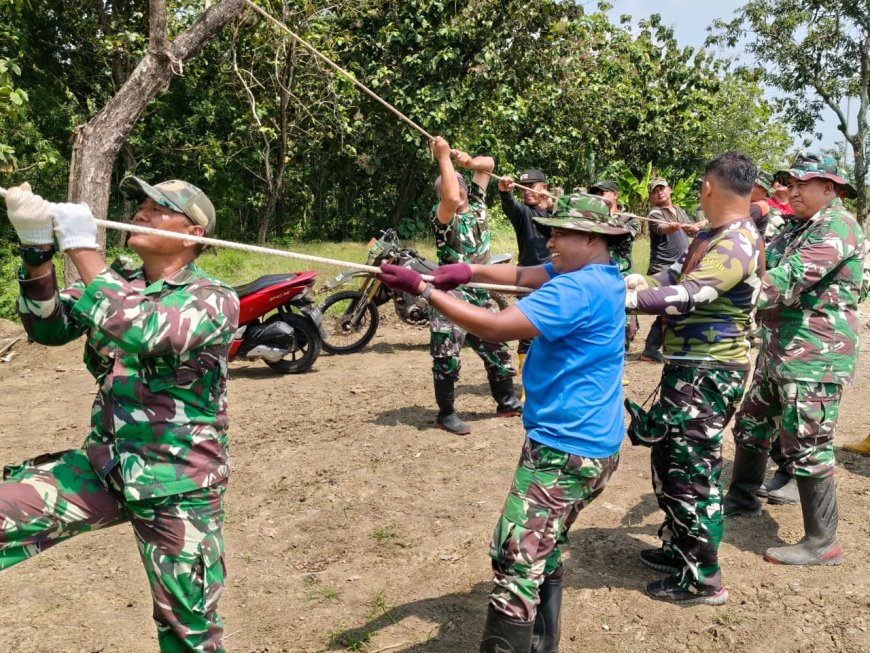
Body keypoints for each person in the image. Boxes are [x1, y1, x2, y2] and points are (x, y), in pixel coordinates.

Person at [378, 192, 628, 653]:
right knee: (544, 545)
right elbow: (521, 274)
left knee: (515, 560)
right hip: (596, 444)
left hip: (562, 450)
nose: (548, 240)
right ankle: (542, 644)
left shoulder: (575, 289)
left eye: (559, 232)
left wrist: (424, 290)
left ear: (593, 237)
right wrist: (465, 271)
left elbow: (495, 327)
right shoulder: (601, 274)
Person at [0, 178, 239, 652]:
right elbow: (46, 327)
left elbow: (144, 330)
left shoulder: (214, 297)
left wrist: (84, 249)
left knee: (187, 631)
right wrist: (36, 251)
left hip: (178, 484)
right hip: (105, 468)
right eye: (143, 205)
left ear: (192, 234)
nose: (143, 213)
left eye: (160, 209)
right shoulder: (120, 282)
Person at [623, 152, 764, 605]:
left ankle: (704, 579)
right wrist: (638, 279)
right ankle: (679, 548)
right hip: (689, 369)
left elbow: (693, 292)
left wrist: (621, 302)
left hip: (711, 372)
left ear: (708, 187)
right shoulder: (710, 234)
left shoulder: (739, 242)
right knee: (669, 459)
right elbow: (677, 273)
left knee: (692, 471)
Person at [722, 154, 864, 566]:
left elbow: (786, 278)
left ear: (830, 189)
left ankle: (822, 542)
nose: (793, 190)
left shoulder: (839, 226)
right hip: (778, 349)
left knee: (807, 442)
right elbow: (759, 261)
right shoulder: (794, 227)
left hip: (816, 356)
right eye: (790, 182)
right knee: (751, 422)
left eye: (806, 183)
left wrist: (711, 292)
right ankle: (743, 496)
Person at [429, 137, 521, 435]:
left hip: (479, 291)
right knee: (446, 354)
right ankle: (446, 414)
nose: (460, 186)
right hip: (451, 294)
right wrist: (443, 156)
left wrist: (468, 163)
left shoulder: (478, 203)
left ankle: (507, 402)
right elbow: (452, 200)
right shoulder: (442, 216)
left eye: (461, 181)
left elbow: (489, 164)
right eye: (451, 183)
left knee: (497, 346)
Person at [498, 168, 554, 399]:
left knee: (551, 330)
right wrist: (505, 192)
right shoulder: (523, 213)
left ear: (545, 188)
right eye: (523, 188)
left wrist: (551, 206)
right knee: (527, 330)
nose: (527, 192)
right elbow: (510, 206)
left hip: (555, 276)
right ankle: (528, 387)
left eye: (532, 186)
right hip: (529, 277)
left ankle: (549, 379)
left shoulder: (556, 213)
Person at [639, 177, 704, 362]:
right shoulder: (655, 213)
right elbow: (663, 229)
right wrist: (674, 226)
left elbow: (691, 231)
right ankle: (651, 350)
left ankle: (660, 349)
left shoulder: (680, 211)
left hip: (679, 266)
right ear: (651, 197)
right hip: (662, 268)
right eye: (655, 191)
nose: (659, 192)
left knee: (672, 310)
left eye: (662, 188)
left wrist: (700, 224)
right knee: (668, 310)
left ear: (670, 190)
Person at [589, 179, 641, 347]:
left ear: (615, 195)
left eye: (602, 194)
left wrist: (607, 220)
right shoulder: (592, 218)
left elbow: (624, 234)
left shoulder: (630, 218)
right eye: (595, 195)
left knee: (627, 324)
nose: (599, 198)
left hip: (623, 274)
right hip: (599, 273)